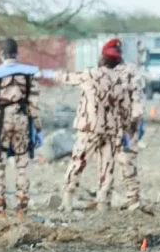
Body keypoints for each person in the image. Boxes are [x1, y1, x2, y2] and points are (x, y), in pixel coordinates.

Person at [52, 42, 131, 212]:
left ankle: (68, 200)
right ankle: (103, 203)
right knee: (107, 166)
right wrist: (124, 132)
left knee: (78, 161)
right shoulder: (120, 80)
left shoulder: (90, 74)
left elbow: (66, 78)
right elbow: (125, 110)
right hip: (111, 129)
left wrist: (56, 74)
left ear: (102, 57)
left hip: (89, 128)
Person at [0, 38, 42, 220]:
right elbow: (34, 105)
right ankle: (22, 210)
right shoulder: (29, 75)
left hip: (1, 122)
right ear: (17, 54)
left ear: (2, 54)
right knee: (22, 165)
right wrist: (38, 129)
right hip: (23, 120)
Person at [105, 38, 144, 210]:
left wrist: (132, 125)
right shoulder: (131, 71)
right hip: (121, 124)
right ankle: (130, 198)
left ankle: (127, 199)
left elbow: (136, 100)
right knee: (125, 162)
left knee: (118, 162)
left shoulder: (112, 73)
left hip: (118, 124)